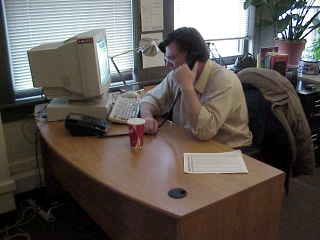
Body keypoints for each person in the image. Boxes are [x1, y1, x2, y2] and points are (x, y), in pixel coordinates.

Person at [140, 27, 252, 148]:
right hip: (192, 143)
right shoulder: (176, 75)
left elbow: (204, 132)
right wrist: (147, 117)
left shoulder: (224, 80)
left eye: (172, 58)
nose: (167, 65)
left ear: (193, 58)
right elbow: (150, 99)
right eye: (166, 59)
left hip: (229, 150)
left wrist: (187, 87)